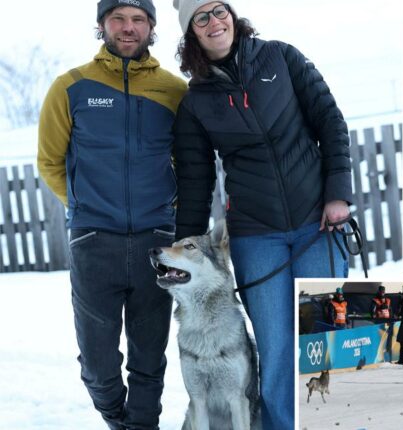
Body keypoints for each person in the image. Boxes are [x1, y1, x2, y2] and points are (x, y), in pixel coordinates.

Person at [171, 1, 353, 428]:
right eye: (202, 18)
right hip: (257, 238)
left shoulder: (281, 57)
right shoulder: (196, 104)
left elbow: (330, 120)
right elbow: (196, 185)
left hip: (318, 224)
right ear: (191, 33)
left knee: (324, 339)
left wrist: (337, 194)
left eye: (219, 11)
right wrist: (185, 255)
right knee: (275, 350)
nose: (215, 22)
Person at [37, 1, 187, 428]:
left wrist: (167, 211)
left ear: (151, 27)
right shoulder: (71, 86)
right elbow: (50, 161)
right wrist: (87, 206)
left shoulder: (174, 91)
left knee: (148, 353)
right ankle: (119, 420)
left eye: (138, 19)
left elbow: (190, 162)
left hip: (155, 242)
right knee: (98, 361)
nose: (128, 28)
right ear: (102, 25)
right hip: (93, 241)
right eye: (118, 18)